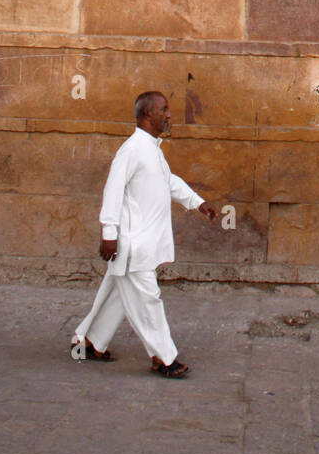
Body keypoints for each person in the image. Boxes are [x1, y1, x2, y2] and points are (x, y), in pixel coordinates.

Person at [72, 91, 217, 378]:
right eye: (163, 109)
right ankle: (164, 358)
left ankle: (90, 344)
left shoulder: (152, 149)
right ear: (146, 114)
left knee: (116, 295)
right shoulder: (132, 149)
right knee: (148, 299)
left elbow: (168, 182)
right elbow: (112, 191)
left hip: (143, 243)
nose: (169, 115)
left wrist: (197, 202)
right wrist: (108, 234)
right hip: (131, 244)